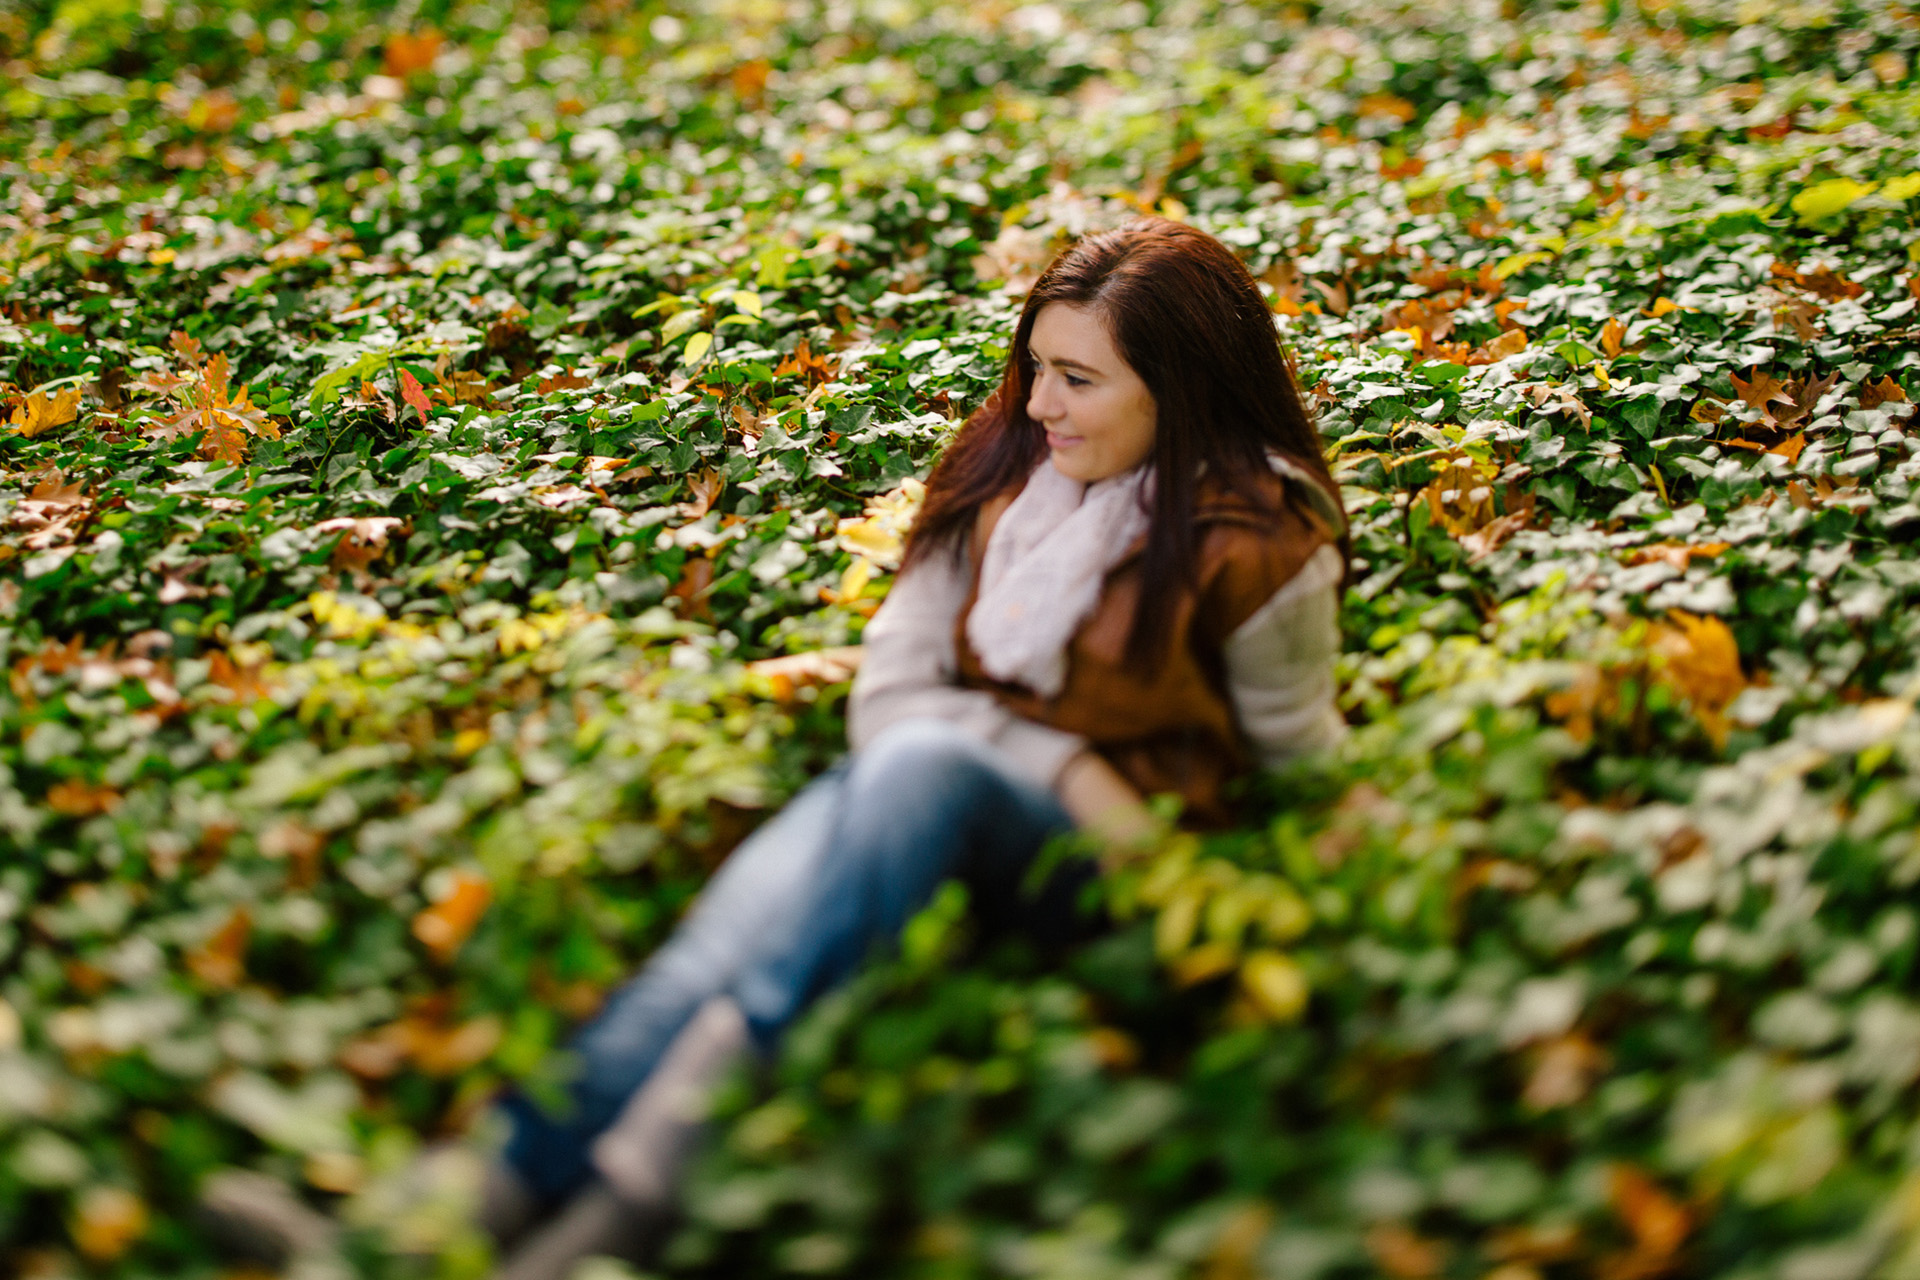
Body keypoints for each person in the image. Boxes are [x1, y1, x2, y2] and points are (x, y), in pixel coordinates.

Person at [202, 216, 1350, 1278]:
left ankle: (606, 1228)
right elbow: (901, 681)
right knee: (704, 960)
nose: (1041, 402)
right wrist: (1041, 750)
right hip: (927, 790)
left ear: (1182, 387)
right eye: (1037, 364)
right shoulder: (1016, 459)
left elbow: (1294, 751)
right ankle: (419, 1230)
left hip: (1110, 857)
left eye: (1080, 378)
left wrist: (1305, 888)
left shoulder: (1257, 533)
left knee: (927, 763)